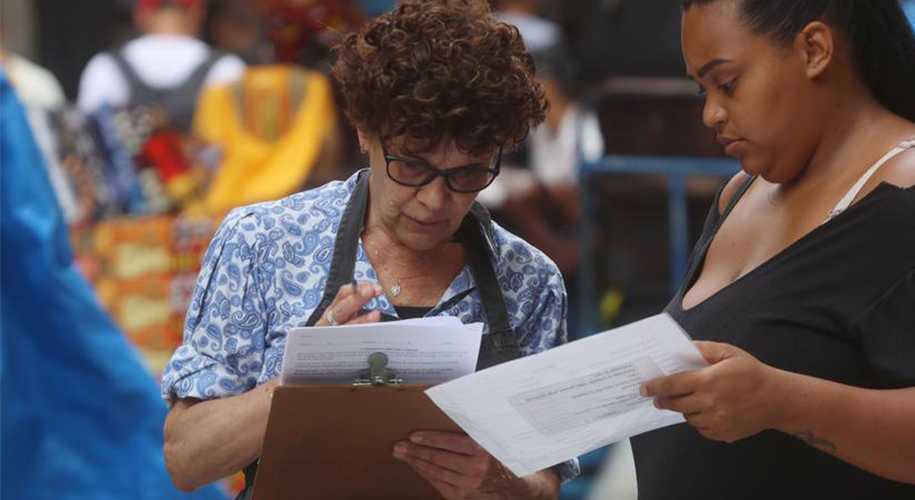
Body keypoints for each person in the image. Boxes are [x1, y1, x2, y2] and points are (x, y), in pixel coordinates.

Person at [160, 0, 577, 498]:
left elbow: (547, 479)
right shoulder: (263, 243)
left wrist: (497, 483)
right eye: (413, 167)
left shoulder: (529, 281)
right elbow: (186, 459)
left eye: (468, 174)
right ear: (364, 130)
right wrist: (297, 383)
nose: (435, 200)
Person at [634, 0, 915, 498]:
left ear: (814, 49)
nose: (710, 113)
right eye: (703, 90)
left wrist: (782, 401)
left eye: (728, 83)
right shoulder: (739, 194)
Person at [76, 0, 245, 130]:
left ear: (141, 14)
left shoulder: (104, 66)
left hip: (132, 165)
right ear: (197, 13)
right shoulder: (227, 68)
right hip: (201, 166)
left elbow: (88, 138)